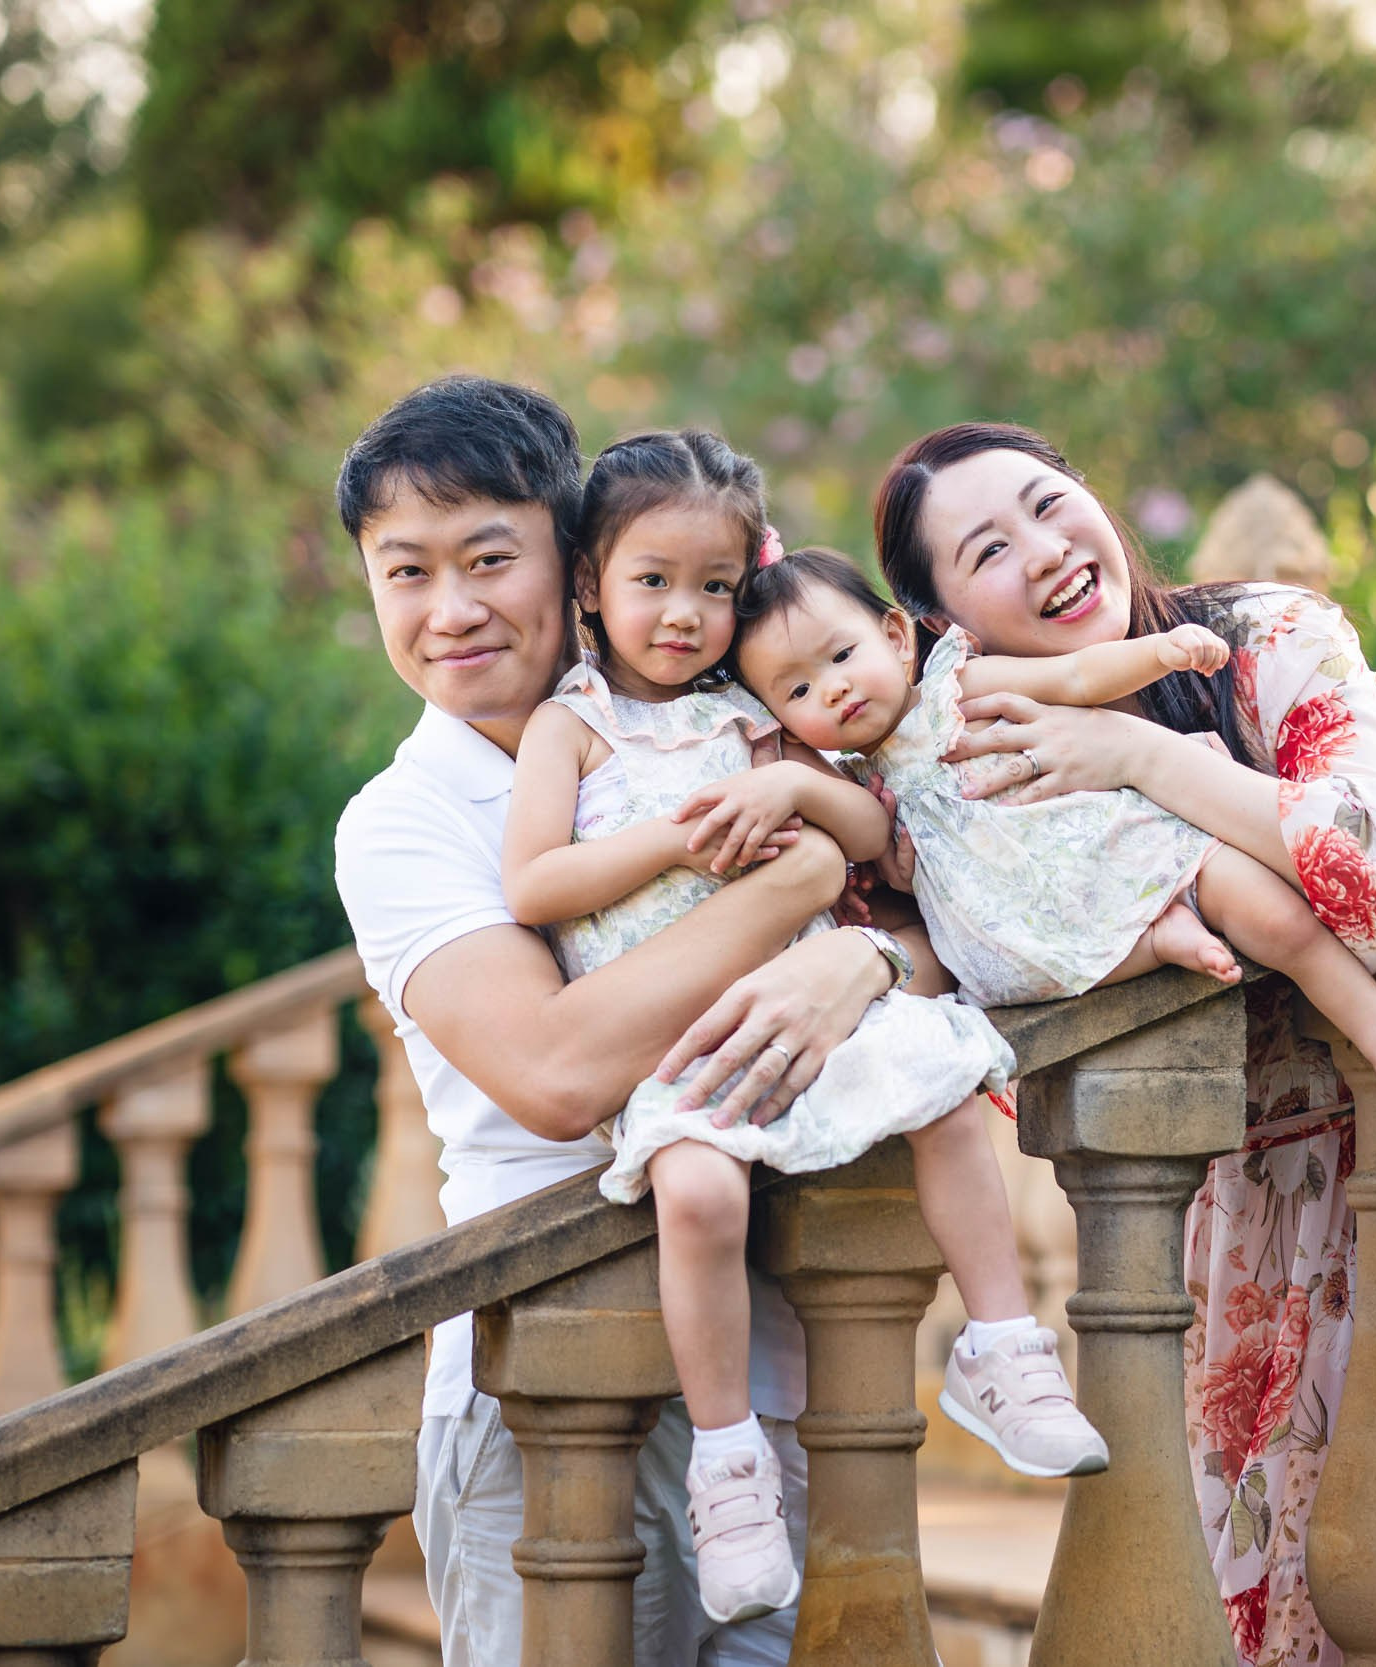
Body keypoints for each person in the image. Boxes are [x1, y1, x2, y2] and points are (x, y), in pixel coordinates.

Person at [871, 423, 1376, 1667]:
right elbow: (958, 941)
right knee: (1288, 1567)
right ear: (944, 627)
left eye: (1053, 504)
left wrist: (1139, 753)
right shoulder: (968, 747)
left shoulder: (1263, 636)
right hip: (1255, 1190)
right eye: (989, 548)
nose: (1049, 550)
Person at [332, 377, 923, 1667]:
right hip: (552, 1368)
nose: (453, 609)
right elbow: (555, 1070)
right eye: (406, 572)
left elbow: (945, 932)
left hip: (780, 1359)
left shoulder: (738, 718)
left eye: (491, 557)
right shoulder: (405, 818)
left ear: (576, 555)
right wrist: (799, 881)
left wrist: (861, 963)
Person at [500, 431, 1106, 1620]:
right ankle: (727, 1470)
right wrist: (678, 836)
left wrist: (786, 782)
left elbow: (869, 836)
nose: (685, 613)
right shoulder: (569, 727)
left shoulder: (751, 706)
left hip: (802, 1011)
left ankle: (1000, 1344)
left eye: (714, 586)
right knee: (699, 1193)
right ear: (589, 584)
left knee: (936, 1092)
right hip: (684, 1046)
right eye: (652, 581)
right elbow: (532, 887)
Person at [730, 546, 1376, 1131]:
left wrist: (1162, 652)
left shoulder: (961, 686)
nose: (830, 690)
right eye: (796, 692)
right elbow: (882, 867)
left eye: (839, 656)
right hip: (1014, 920)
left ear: (894, 635)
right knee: (1008, 977)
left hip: (1120, 844)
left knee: (1277, 918)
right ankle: (1156, 940)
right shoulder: (860, 783)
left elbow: (1076, 674)